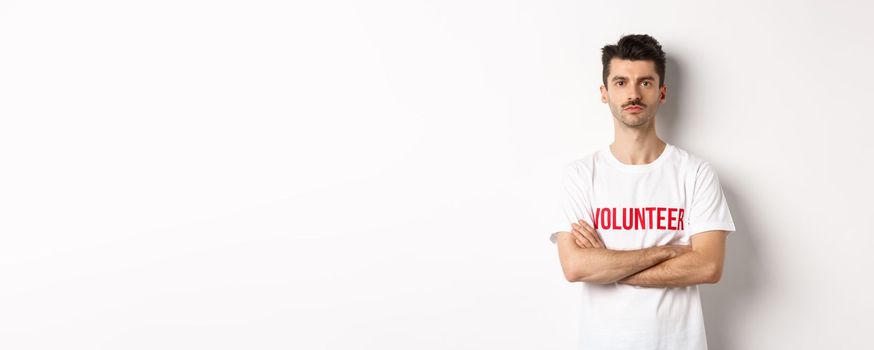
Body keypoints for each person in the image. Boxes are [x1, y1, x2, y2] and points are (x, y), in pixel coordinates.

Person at [548, 34, 736, 350]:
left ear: (662, 93)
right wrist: (670, 251)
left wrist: (607, 267)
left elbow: (708, 266)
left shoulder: (695, 173)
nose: (633, 93)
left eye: (645, 83)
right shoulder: (581, 175)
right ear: (604, 93)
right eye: (621, 82)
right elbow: (576, 266)